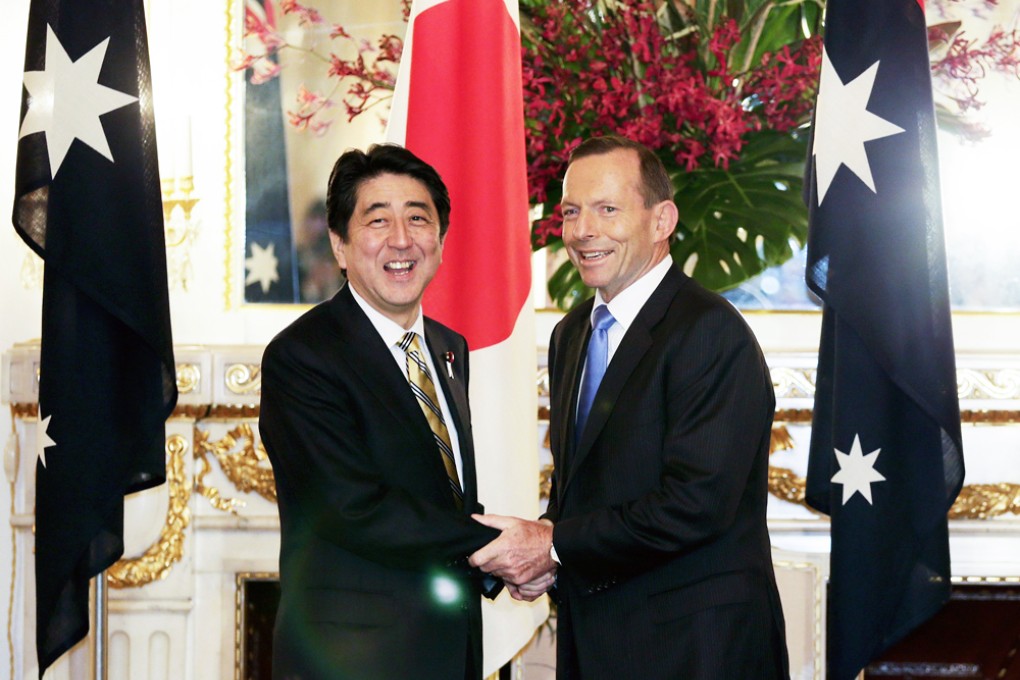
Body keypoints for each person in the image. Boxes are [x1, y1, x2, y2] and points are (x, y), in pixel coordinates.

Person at [470, 135, 789, 679]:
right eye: (572, 212)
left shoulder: (708, 332)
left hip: (695, 651)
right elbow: (590, 486)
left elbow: (696, 503)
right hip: (598, 642)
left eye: (607, 209)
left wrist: (554, 543)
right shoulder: (572, 333)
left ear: (662, 220)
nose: (583, 230)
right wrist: (546, 549)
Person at [259, 144, 501, 680]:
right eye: (377, 220)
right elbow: (355, 508)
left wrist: (502, 558)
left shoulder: (448, 347)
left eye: (418, 218)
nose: (401, 239)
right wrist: (501, 547)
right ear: (340, 246)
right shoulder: (303, 355)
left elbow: (442, 490)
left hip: (447, 651)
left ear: (440, 241)